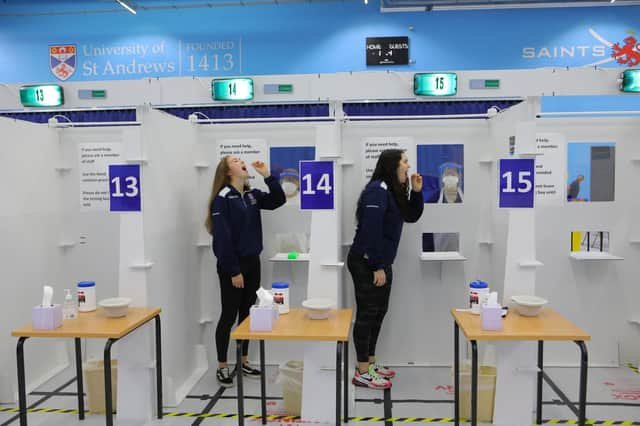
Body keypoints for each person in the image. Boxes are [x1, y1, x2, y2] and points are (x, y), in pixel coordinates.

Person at [205, 155, 286, 387]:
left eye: (241, 159)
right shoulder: (222, 199)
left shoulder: (251, 195)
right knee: (229, 315)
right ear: (228, 171)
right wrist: (233, 270)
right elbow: (222, 239)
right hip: (233, 266)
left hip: (253, 262)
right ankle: (222, 366)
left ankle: (243, 361)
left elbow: (277, 200)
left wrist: (268, 176)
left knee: (249, 314)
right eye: (235, 160)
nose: (242, 162)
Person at [348, 149, 424, 389]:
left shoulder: (392, 190)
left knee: (379, 313)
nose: (408, 165)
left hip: (380, 263)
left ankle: (370, 364)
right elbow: (370, 230)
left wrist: (417, 191)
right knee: (367, 315)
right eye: (404, 161)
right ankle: (361, 372)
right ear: (392, 165)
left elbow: (411, 216)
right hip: (366, 262)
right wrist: (377, 265)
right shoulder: (376, 190)